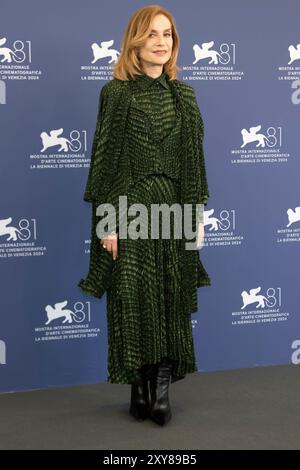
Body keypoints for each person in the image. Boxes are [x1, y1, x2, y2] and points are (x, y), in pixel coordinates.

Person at [78, 4, 212, 426]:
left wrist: (198, 218)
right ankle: (138, 385)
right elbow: (105, 161)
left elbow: (194, 161)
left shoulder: (184, 95)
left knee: (171, 295)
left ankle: (162, 389)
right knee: (132, 295)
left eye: (167, 35)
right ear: (135, 41)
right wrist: (108, 221)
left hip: (173, 208)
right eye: (152, 34)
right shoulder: (116, 93)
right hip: (130, 209)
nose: (160, 42)